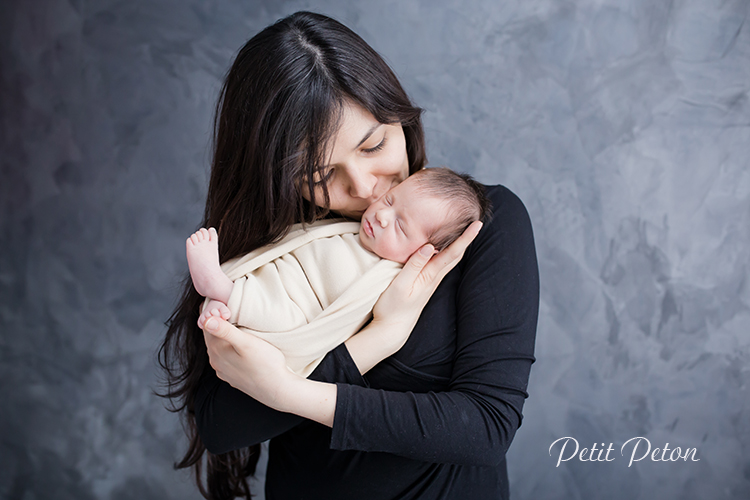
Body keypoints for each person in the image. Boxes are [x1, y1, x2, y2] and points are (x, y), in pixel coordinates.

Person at [159, 11, 539, 500]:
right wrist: (378, 339)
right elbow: (222, 427)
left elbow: (485, 427)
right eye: (320, 177)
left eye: (374, 145)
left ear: (400, 116)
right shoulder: (284, 253)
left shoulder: (480, 225)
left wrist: (289, 393)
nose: (362, 189)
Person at [185, 168, 491, 377]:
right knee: (269, 279)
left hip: (300, 312)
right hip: (284, 279)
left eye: (400, 225)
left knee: (281, 313)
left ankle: (220, 288)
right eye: (389, 200)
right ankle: (227, 301)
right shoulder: (354, 227)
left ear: (424, 254)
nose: (382, 216)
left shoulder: (385, 277)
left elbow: (331, 324)